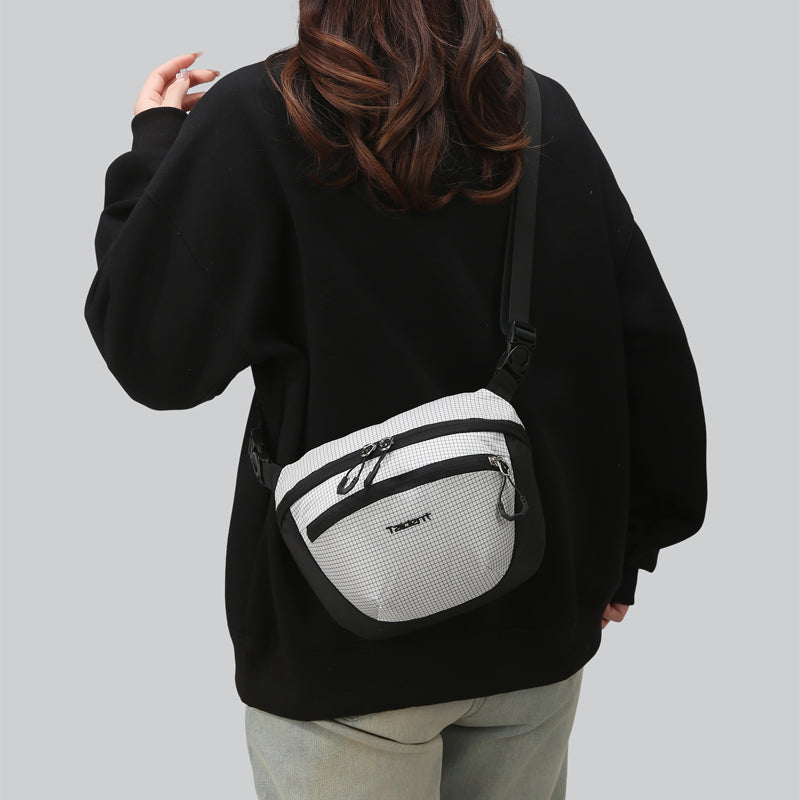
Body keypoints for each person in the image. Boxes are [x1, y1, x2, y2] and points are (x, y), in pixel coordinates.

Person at [84, 2, 707, 797]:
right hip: (535, 625)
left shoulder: (259, 115)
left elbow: (153, 354)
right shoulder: (537, 112)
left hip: (340, 644)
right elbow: (645, 343)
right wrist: (628, 555)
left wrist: (154, 150)